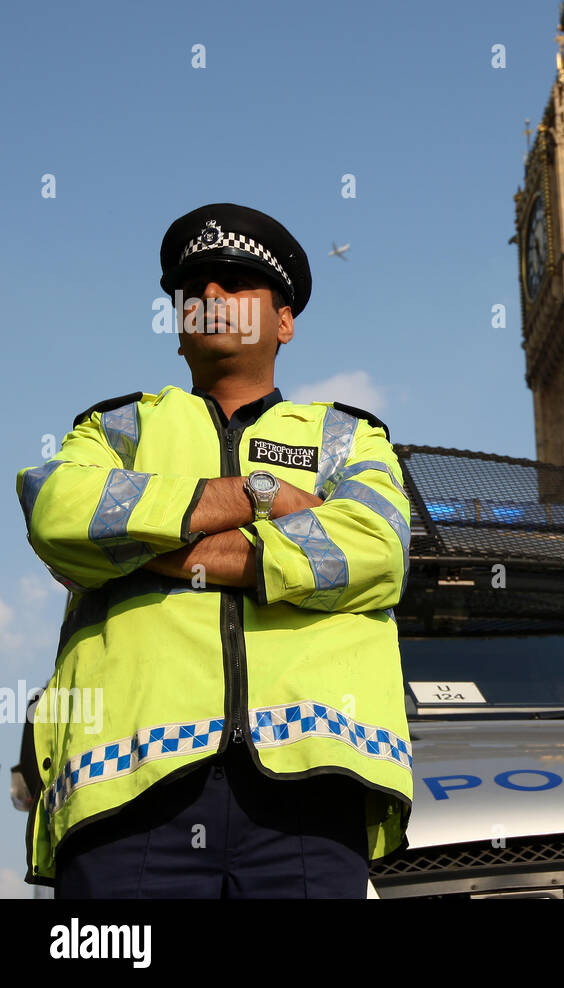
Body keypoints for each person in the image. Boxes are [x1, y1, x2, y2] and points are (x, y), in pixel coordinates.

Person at [15, 202, 413, 898]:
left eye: (236, 284)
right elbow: (58, 512)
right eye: (194, 289)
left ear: (284, 322)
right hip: (124, 800)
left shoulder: (348, 438)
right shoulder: (117, 427)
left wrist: (139, 542)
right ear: (177, 330)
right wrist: (266, 496)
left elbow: (376, 547)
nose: (210, 298)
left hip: (310, 804)